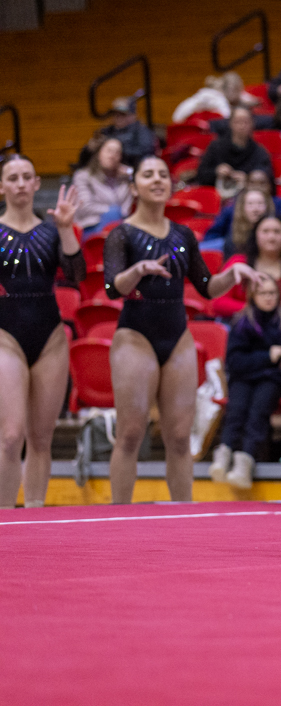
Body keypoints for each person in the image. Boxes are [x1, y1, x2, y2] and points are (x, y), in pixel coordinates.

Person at [104, 156, 261, 504]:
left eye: (163, 174)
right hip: (135, 335)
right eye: (148, 175)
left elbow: (206, 287)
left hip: (177, 336)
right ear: (134, 187)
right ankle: (117, 516)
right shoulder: (122, 233)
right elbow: (113, 288)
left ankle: (182, 515)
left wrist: (232, 274)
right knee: (130, 433)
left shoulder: (183, 234)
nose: (157, 180)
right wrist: (137, 271)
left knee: (179, 437)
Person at [0, 158, 83, 508]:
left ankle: (35, 515)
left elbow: (77, 276)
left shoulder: (52, 230)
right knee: (10, 435)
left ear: (36, 183)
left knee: (41, 437)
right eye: (12, 178)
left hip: (49, 336)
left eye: (26, 178)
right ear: (2, 187)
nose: (20, 184)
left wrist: (66, 229)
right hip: (6, 333)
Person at [208, 276, 281, 489]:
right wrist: (268, 356)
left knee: (257, 413)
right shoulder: (242, 321)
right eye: (263, 293)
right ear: (253, 296)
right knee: (236, 411)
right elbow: (234, 361)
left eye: (272, 293)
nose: (268, 298)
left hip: (273, 378)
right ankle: (224, 454)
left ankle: (245, 461)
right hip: (244, 376)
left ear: (278, 295)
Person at [213, 215, 281, 318]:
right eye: (265, 231)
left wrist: (266, 307)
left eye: (277, 231)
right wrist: (256, 309)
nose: (271, 237)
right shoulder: (238, 262)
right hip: (240, 323)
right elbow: (219, 303)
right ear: (255, 234)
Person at [202, 167, 281, 249]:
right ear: (246, 185)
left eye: (262, 183)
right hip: (234, 246)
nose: (257, 187)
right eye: (253, 183)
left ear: (270, 185)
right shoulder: (233, 206)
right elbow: (212, 234)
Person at [194, 105, 274, 198]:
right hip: (218, 198)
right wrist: (216, 172)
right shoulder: (216, 147)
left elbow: (268, 182)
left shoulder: (260, 152)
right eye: (238, 122)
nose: (242, 126)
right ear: (230, 123)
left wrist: (248, 180)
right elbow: (200, 175)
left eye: (246, 122)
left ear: (252, 124)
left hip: (247, 200)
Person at [72, 137, 133, 237]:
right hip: (91, 226)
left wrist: (131, 173)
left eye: (117, 152)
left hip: (120, 225)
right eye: (109, 151)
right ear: (99, 154)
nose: (112, 156)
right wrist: (112, 211)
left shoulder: (125, 179)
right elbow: (85, 207)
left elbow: (127, 210)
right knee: (113, 213)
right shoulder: (83, 176)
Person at [77, 97, 158, 169]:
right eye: (115, 114)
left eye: (122, 114)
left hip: (130, 172)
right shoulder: (106, 131)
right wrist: (89, 149)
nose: (118, 117)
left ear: (133, 115)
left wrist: (115, 146)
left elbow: (145, 153)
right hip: (104, 173)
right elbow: (84, 160)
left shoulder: (142, 131)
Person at [172, 72, 260, 123]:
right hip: (179, 119)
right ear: (227, 89)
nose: (239, 94)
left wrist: (252, 102)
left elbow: (246, 97)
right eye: (236, 91)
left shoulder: (228, 91)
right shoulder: (214, 97)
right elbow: (228, 117)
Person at [222, 187, 274, 260]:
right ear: (242, 208)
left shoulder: (277, 233)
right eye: (250, 204)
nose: (255, 209)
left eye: (260, 204)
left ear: (267, 206)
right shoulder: (233, 237)